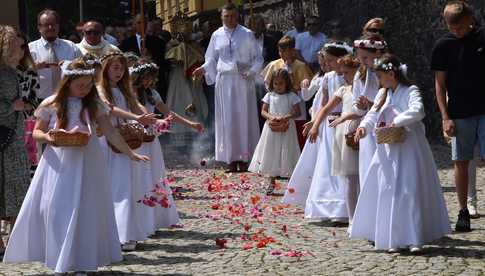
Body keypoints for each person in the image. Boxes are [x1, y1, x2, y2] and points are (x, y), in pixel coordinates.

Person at [351, 54, 450, 253]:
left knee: (409, 189)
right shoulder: (383, 94)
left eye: (380, 76)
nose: (379, 81)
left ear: (391, 73)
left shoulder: (410, 91)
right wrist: (363, 127)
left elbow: (418, 111)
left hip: (409, 147)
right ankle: (393, 238)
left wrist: (396, 121)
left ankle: (414, 238)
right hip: (388, 148)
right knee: (389, 190)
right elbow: (373, 114)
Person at [431, 1, 485, 232]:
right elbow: (440, 85)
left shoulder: (483, 38)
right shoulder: (443, 46)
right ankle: (463, 210)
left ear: (470, 20)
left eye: (461, 27)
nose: (457, 32)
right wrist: (445, 116)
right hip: (459, 113)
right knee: (460, 162)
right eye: (452, 28)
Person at [192, 3, 263, 173]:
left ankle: (244, 158)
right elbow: (211, 58)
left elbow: (258, 58)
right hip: (224, 82)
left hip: (242, 81)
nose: (229, 19)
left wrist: (252, 72)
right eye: (226, 16)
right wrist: (203, 68)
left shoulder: (246, 34)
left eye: (232, 16)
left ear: (237, 16)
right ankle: (230, 158)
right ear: (221, 17)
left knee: (243, 117)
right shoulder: (216, 35)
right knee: (227, 119)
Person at [97, 52, 157, 251]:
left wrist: (148, 117)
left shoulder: (124, 89)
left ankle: (126, 232)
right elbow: (110, 109)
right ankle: (119, 234)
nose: (119, 72)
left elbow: (135, 104)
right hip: (108, 140)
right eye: (115, 68)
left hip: (125, 140)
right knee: (116, 187)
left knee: (126, 186)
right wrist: (136, 117)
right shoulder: (100, 89)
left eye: (122, 68)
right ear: (106, 69)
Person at [298, 42, 350, 222]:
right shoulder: (328, 77)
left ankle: (343, 207)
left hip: (345, 122)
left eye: (330, 60)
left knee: (342, 164)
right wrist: (314, 123)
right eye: (325, 61)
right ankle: (327, 205)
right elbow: (324, 104)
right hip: (329, 124)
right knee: (328, 164)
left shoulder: (350, 77)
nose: (327, 64)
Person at [307, 54, 361, 225]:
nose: (343, 76)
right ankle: (352, 217)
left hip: (362, 132)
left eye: (347, 73)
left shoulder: (364, 91)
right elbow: (326, 108)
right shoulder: (343, 90)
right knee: (350, 176)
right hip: (345, 136)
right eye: (342, 73)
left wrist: (346, 117)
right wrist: (315, 125)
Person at [281, 46, 328, 206]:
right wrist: (305, 85)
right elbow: (307, 95)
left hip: (324, 116)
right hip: (316, 114)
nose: (324, 67)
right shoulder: (319, 77)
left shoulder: (336, 78)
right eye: (321, 64)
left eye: (326, 63)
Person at [0, 25, 31, 254]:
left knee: (15, 188)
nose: (21, 48)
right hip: (4, 138)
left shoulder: (11, 70)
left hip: (14, 136)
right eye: (16, 44)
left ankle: (13, 240)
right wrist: (13, 106)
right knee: (5, 188)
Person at [249, 69, 301, 195]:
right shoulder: (269, 96)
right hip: (272, 128)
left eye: (281, 84)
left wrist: (286, 117)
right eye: (276, 84)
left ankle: (291, 183)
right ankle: (271, 182)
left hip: (287, 127)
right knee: (271, 152)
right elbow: (263, 111)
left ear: (286, 83)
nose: (278, 87)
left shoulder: (292, 96)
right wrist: (271, 117)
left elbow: (297, 112)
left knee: (287, 151)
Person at [261, 36, 313, 149]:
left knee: (297, 131)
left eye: (285, 50)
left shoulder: (301, 65)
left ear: (292, 51)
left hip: (295, 101)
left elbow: (305, 87)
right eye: (280, 51)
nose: (282, 53)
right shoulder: (274, 64)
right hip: (278, 103)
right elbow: (267, 83)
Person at [352, 34, 386, 190]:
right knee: (368, 168)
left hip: (386, 125)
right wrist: (360, 106)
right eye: (360, 58)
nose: (362, 62)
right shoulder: (360, 74)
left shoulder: (389, 71)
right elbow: (356, 105)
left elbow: (394, 101)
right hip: (368, 126)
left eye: (366, 58)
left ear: (378, 54)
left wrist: (371, 103)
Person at [165, 13, 208, 135]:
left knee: (194, 99)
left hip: (191, 76)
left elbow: (201, 58)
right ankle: (179, 130)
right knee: (178, 100)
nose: (182, 32)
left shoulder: (194, 44)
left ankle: (195, 128)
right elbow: (169, 59)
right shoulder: (171, 44)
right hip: (178, 76)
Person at [28, 9, 81, 101]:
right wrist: (32, 67)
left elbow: (83, 70)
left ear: (58, 26)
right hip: (40, 100)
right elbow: (20, 74)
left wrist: (70, 66)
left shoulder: (71, 47)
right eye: (46, 25)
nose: (50, 27)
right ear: (39, 27)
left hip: (68, 99)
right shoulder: (30, 49)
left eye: (53, 24)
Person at [120, 14, 169, 101]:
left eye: (144, 22)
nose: (142, 25)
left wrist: (151, 57)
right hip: (135, 83)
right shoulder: (126, 43)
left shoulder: (159, 42)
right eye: (139, 22)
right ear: (134, 24)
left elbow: (164, 63)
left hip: (154, 83)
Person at [16, 32, 41, 171]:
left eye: (23, 46)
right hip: (5, 122)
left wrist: (24, 105)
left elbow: (36, 101)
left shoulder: (30, 71)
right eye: (15, 45)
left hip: (26, 125)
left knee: (28, 169)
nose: (20, 49)